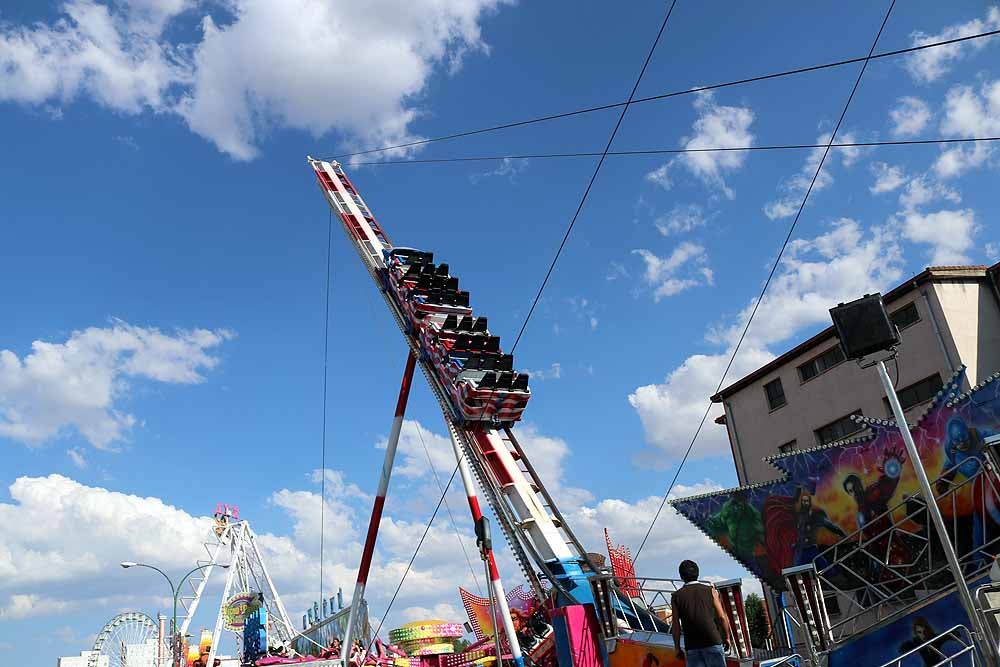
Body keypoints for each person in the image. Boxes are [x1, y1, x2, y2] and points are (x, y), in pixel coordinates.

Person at [670, 560, 730, 667]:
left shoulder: (676, 596)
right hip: (712, 641)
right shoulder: (710, 591)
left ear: (681, 576)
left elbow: (675, 625)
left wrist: (677, 648)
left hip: (692, 646)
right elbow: (722, 617)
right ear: (698, 573)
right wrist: (727, 637)